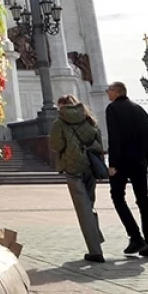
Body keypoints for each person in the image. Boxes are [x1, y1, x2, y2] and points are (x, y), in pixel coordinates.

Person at [105, 81, 148, 259]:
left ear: (117, 92)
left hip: (121, 163)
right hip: (139, 163)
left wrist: (112, 163)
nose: (107, 92)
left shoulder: (113, 109)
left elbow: (115, 137)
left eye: (110, 90)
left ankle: (135, 237)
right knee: (144, 201)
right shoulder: (138, 109)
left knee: (117, 197)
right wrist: (146, 159)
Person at [49, 94, 106, 263]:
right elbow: (99, 142)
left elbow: (56, 145)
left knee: (83, 209)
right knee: (89, 205)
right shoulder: (89, 120)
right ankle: (96, 238)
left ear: (61, 106)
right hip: (90, 167)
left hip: (73, 169)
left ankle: (95, 251)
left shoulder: (59, 123)